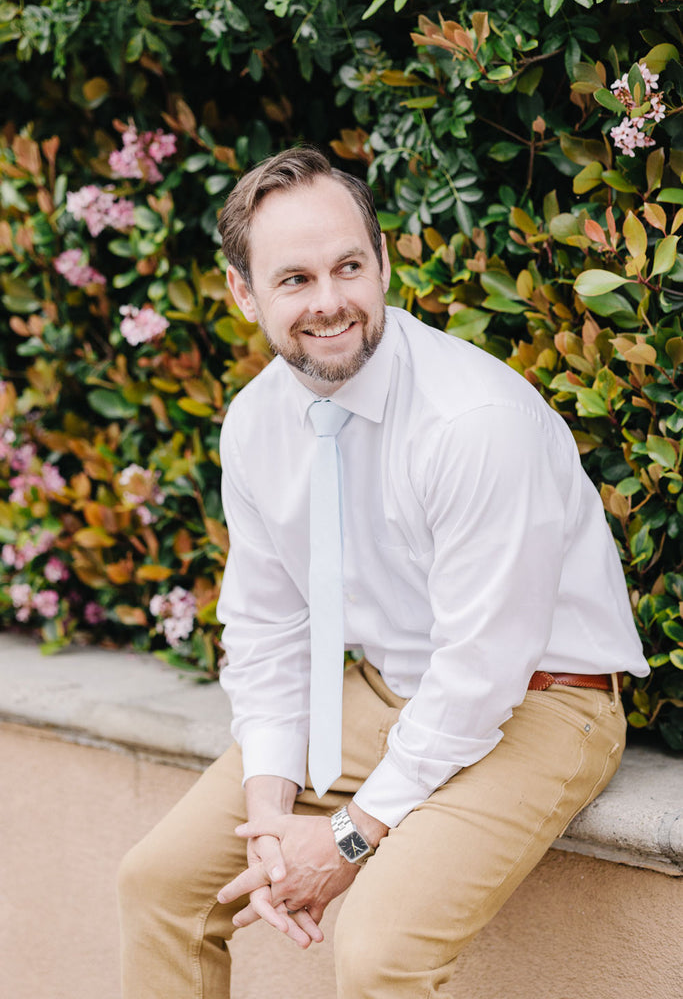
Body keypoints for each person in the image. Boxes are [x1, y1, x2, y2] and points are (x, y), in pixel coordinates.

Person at [118, 146, 650, 998]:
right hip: (386, 690)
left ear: (383, 263)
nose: (328, 302)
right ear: (242, 293)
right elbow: (265, 629)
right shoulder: (256, 424)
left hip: (544, 700)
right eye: (293, 279)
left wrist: (347, 840)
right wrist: (268, 818)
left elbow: (481, 670)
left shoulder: (473, 420)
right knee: (158, 886)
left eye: (348, 268)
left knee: (377, 949)